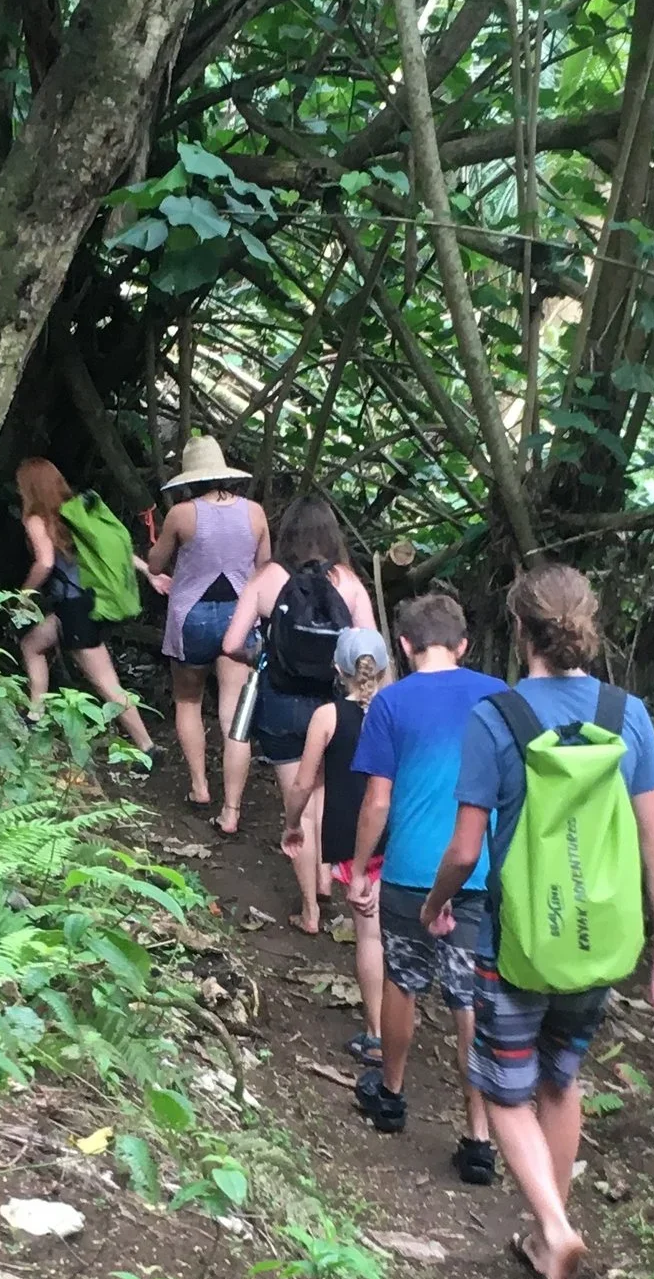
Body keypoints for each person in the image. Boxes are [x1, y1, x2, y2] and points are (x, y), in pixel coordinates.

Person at [423, 563, 654, 1279]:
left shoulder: (496, 717)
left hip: (519, 940)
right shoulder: (627, 713)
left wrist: (438, 905)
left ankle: (555, 1229)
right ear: (587, 626)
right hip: (599, 938)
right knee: (560, 1080)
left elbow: (466, 849)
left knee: (502, 1089)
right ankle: (551, 1234)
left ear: (518, 629)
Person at [346, 588, 504, 1174]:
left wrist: (362, 868)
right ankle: (480, 1137)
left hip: (412, 869)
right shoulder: (499, 697)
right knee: (470, 998)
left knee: (403, 981)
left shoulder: (391, 703)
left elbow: (377, 802)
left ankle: (390, 1093)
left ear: (404, 646)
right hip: (481, 870)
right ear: (464, 645)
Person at [216, 497, 374, 914]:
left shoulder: (268, 578)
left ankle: (309, 910)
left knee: (298, 805)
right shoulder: (350, 583)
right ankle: (325, 879)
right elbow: (372, 653)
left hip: (282, 704)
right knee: (324, 793)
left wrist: (259, 654)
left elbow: (230, 643)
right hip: (336, 706)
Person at [147, 438, 269, 818]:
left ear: (190, 478)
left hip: (192, 618)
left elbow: (155, 565)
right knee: (234, 714)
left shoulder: (181, 514)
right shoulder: (255, 513)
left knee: (188, 701)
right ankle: (231, 808)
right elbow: (264, 567)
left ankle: (200, 787)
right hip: (240, 616)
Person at [12, 458, 155, 754]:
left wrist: (23, 594)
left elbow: (45, 562)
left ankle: (147, 747)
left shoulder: (38, 518)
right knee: (32, 644)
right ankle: (35, 713)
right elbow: (116, 549)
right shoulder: (80, 510)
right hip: (93, 602)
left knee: (106, 683)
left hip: (77, 608)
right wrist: (148, 572)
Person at [279, 626, 391, 982]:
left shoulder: (327, 717)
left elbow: (303, 783)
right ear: (385, 669)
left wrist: (292, 823)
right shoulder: (397, 713)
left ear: (337, 669)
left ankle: (377, 1027)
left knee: (371, 936)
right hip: (398, 829)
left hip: (350, 834)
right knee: (395, 929)